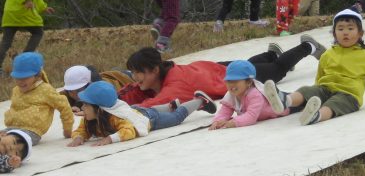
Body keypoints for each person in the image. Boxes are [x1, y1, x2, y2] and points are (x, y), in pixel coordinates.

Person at [264, 9, 365, 126]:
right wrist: (314, 91)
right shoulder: (328, 54)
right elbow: (320, 74)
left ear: (360, 33)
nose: (345, 32)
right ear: (335, 34)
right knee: (306, 90)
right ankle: (285, 100)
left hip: (349, 94)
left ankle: (316, 116)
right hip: (326, 88)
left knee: (335, 104)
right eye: (340, 29)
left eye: (350, 28)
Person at [119, 35, 326, 107]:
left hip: (230, 76)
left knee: (276, 71)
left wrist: (129, 111)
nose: (135, 78)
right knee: (252, 62)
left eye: (138, 72)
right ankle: (271, 54)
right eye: (133, 73)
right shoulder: (156, 78)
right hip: (216, 69)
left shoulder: (175, 84)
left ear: (155, 70)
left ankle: (307, 47)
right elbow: (129, 92)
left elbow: (156, 103)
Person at [67, 81, 210, 147]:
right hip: (136, 111)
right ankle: (170, 105)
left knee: (176, 117)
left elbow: (129, 130)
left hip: (149, 119)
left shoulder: (115, 118)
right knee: (150, 110)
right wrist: (78, 137)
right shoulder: (89, 119)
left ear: (99, 109)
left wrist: (110, 139)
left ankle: (199, 100)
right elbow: (82, 130)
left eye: (86, 104)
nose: (82, 108)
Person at [3, 53, 73, 145]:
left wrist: (67, 128)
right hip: (13, 128)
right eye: (17, 78)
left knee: (9, 142)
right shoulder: (16, 90)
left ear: (38, 76)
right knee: (3, 137)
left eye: (25, 78)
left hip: (32, 131)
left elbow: (64, 106)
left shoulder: (45, 90)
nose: (20, 82)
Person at [209, 60, 290, 130]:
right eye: (229, 81)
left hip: (285, 106)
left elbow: (251, 117)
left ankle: (302, 98)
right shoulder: (231, 94)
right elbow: (224, 112)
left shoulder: (254, 94)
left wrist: (234, 122)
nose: (231, 85)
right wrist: (217, 121)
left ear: (249, 82)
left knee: (299, 99)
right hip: (279, 107)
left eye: (235, 81)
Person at [62, 65, 135, 114]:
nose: (75, 95)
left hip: (126, 76)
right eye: (70, 91)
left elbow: (113, 105)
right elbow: (56, 98)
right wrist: (69, 107)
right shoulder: (68, 91)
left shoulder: (106, 90)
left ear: (89, 85)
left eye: (78, 90)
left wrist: (90, 111)